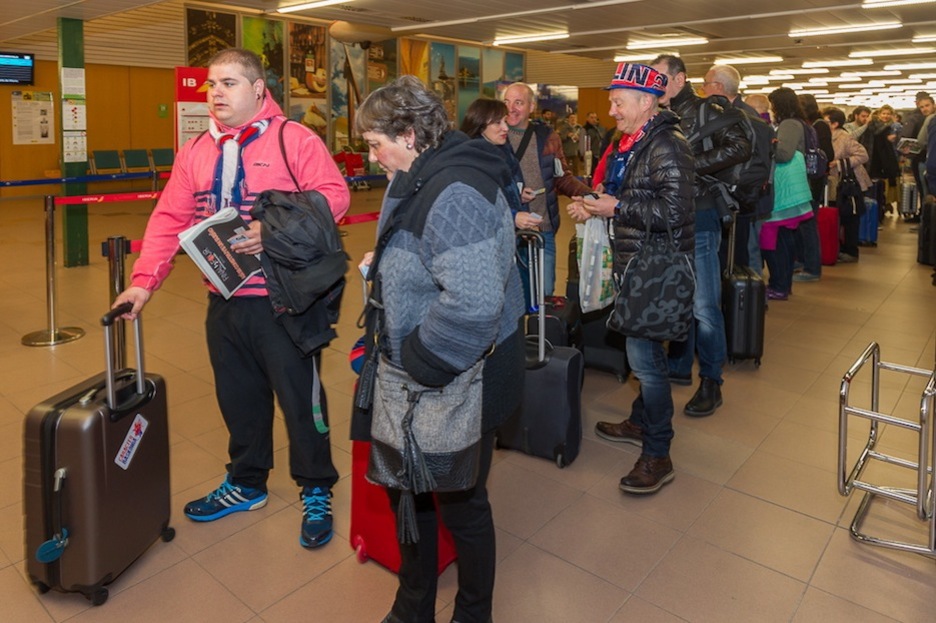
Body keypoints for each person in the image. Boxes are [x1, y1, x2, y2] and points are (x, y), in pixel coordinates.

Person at [112, 48, 349, 548]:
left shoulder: (293, 139)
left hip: (286, 301)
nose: (215, 93)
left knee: (301, 402)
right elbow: (169, 219)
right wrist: (143, 282)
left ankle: (316, 488)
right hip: (224, 298)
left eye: (229, 83)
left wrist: (274, 229)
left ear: (259, 89)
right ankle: (247, 482)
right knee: (238, 398)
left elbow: (335, 196)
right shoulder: (197, 150)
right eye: (211, 84)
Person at [353, 76, 525, 623]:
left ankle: (473, 613)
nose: (372, 157)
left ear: (409, 135)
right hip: (428, 375)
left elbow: (473, 304)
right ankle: (414, 606)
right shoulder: (416, 174)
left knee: (461, 504)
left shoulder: (454, 194)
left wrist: (420, 360)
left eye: (375, 144)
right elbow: (428, 257)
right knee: (409, 492)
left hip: (454, 376)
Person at [569, 62, 694, 494]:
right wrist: (595, 204)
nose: (611, 110)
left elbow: (675, 211)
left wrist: (616, 208)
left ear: (645, 102)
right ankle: (641, 423)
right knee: (646, 353)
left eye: (618, 102)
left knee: (647, 364)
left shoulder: (667, 145)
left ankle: (658, 453)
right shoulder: (632, 142)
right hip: (636, 262)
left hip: (656, 269)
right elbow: (627, 194)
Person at [650, 54, 751, 418]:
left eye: (660, 78)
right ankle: (679, 364)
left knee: (704, 306)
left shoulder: (707, 109)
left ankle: (711, 381)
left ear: (679, 80)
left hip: (702, 215)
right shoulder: (656, 115)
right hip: (666, 217)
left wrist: (687, 167)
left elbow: (741, 146)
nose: (654, 84)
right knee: (675, 296)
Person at [502, 83, 592, 298]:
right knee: (512, 297)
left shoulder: (548, 137)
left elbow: (562, 177)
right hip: (507, 230)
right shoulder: (495, 135)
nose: (511, 108)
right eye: (506, 102)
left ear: (531, 106)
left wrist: (590, 195)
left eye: (518, 102)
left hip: (543, 229)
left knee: (544, 293)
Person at [761, 87, 815, 301]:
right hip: (792, 191)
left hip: (785, 191)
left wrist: (766, 143)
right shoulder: (798, 123)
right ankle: (782, 284)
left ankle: (779, 285)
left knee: (777, 239)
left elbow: (784, 154)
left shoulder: (789, 124)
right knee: (785, 238)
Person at [459, 97, 538, 221]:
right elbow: (475, 207)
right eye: (497, 122)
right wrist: (513, 217)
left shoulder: (502, 150)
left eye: (505, 121)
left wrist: (518, 196)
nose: (505, 128)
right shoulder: (472, 160)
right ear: (480, 124)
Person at [791, 93, 830, 283]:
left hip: (812, 182)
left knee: (808, 225)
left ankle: (812, 268)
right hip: (812, 180)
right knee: (803, 224)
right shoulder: (811, 126)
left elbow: (827, 153)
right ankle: (803, 260)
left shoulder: (818, 126)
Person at [824, 107, 871, 263]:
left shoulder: (844, 137)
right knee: (840, 215)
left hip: (850, 184)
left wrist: (839, 163)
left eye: (826, 121)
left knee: (850, 216)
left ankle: (851, 250)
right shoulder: (826, 137)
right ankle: (840, 248)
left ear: (835, 123)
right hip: (836, 184)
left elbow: (863, 155)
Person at [582, 111, 605, 177]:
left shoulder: (600, 128)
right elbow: (582, 143)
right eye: (591, 118)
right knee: (590, 172)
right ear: (587, 118)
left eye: (595, 118)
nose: (594, 119)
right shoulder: (585, 129)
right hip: (590, 154)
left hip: (599, 153)